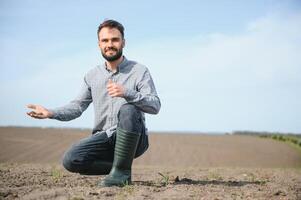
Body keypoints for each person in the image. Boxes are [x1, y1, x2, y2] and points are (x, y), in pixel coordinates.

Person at [26, 19, 161, 187]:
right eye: (105, 40)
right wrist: (51, 113)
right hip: (104, 137)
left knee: (128, 109)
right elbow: (77, 106)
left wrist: (127, 93)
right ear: (99, 44)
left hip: (134, 138)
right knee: (71, 160)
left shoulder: (139, 70)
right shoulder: (92, 75)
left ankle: (121, 175)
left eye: (115, 40)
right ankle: (121, 168)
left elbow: (155, 105)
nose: (110, 44)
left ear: (123, 43)